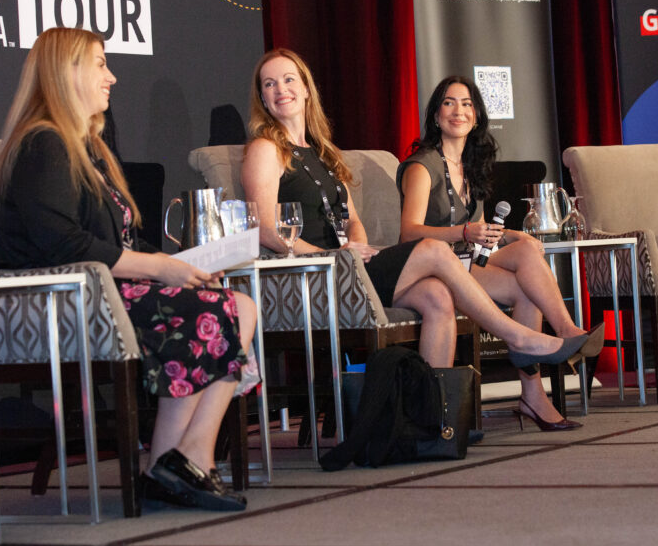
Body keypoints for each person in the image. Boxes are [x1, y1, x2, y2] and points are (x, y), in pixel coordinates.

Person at [0, 27, 256, 511]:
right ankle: (178, 461)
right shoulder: (43, 144)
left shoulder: (88, 148)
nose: (111, 77)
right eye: (100, 64)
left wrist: (181, 266)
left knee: (240, 305)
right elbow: (62, 244)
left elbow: (122, 241)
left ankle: (180, 458)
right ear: (67, 71)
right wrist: (159, 269)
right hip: (65, 299)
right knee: (211, 311)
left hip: (109, 292)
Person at [240, 48, 595, 378]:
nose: (280, 89)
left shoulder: (323, 151)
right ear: (263, 99)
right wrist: (334, 256)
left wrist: (357, 250)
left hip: (350, 267)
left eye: (288, 80)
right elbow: (265, 230)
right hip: (315, 275)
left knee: (436, 295)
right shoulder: (265, 149)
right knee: (432, 249)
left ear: (305, 89)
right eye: (269, 84)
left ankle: (435, 420)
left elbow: (352, 220)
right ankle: (518, 338)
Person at [397, 75, 604, 430]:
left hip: (465, 261)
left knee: (526, 257)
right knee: (525, 276)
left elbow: (476, 229)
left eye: (466, 104)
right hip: (430, 267)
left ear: (476, 116)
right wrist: (464, 231)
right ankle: (554, 351)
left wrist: (509, 235)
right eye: (449, 103)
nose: (458, 111)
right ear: (435, 115)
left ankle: (548, 367)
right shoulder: (422, 165)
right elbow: (409, 232)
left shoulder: (469, 167)